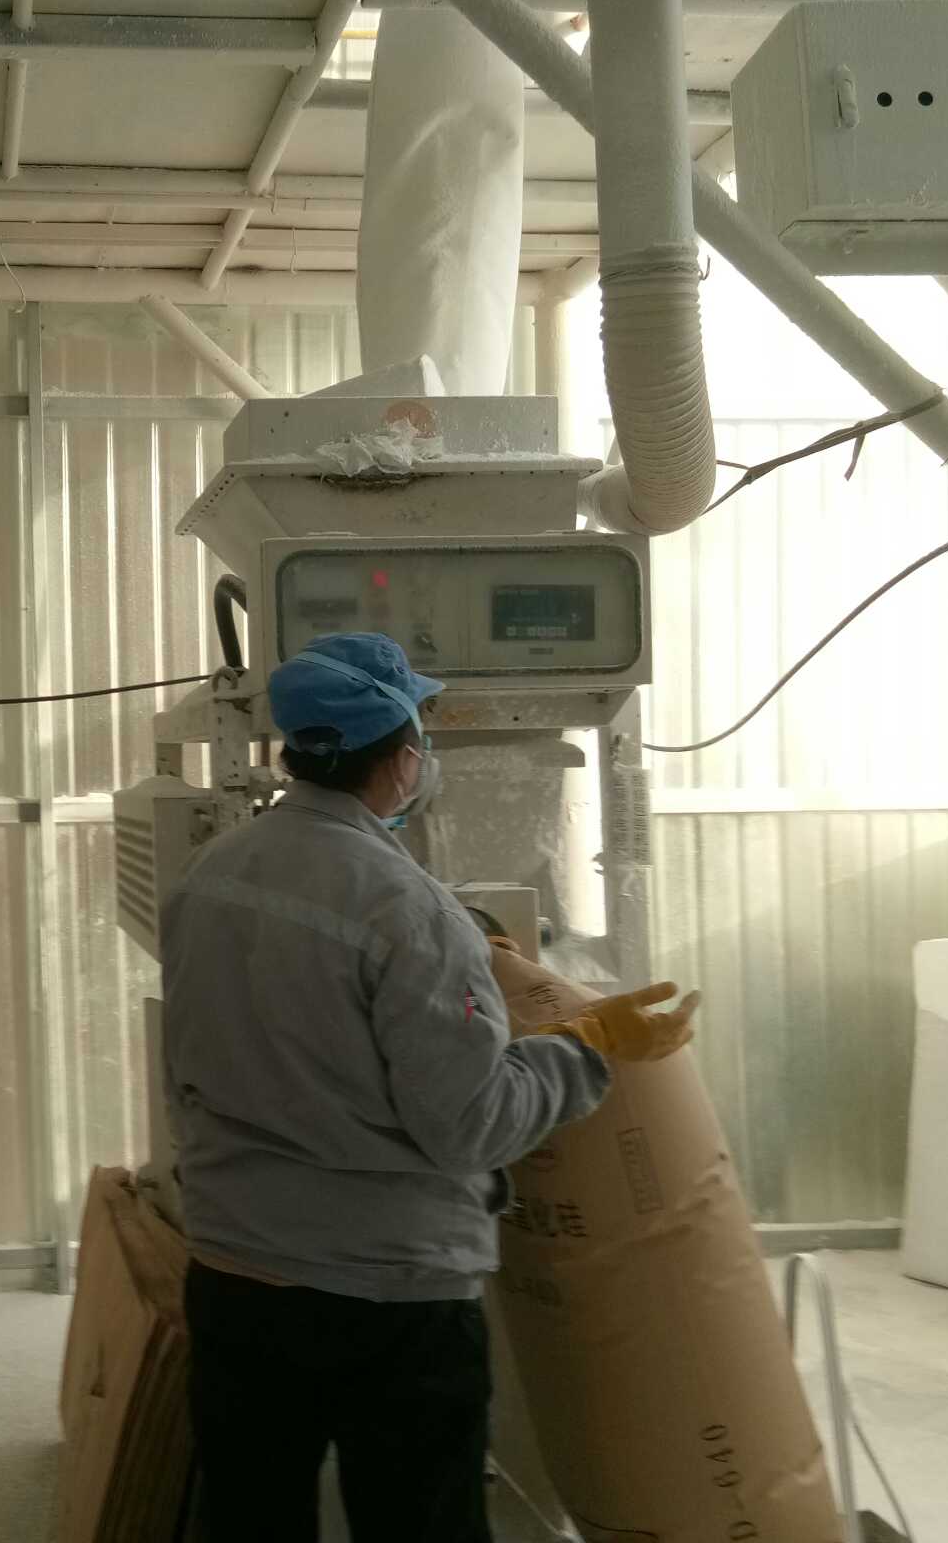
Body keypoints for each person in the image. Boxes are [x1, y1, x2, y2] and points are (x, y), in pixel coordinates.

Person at [160, 632, 697, 1543]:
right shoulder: (410, 909)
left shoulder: (210, 875)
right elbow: (470, 1127)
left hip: (236, 1271)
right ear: (404, 758)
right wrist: (587, 1046)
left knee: (252, 1514)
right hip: (388, 1297)